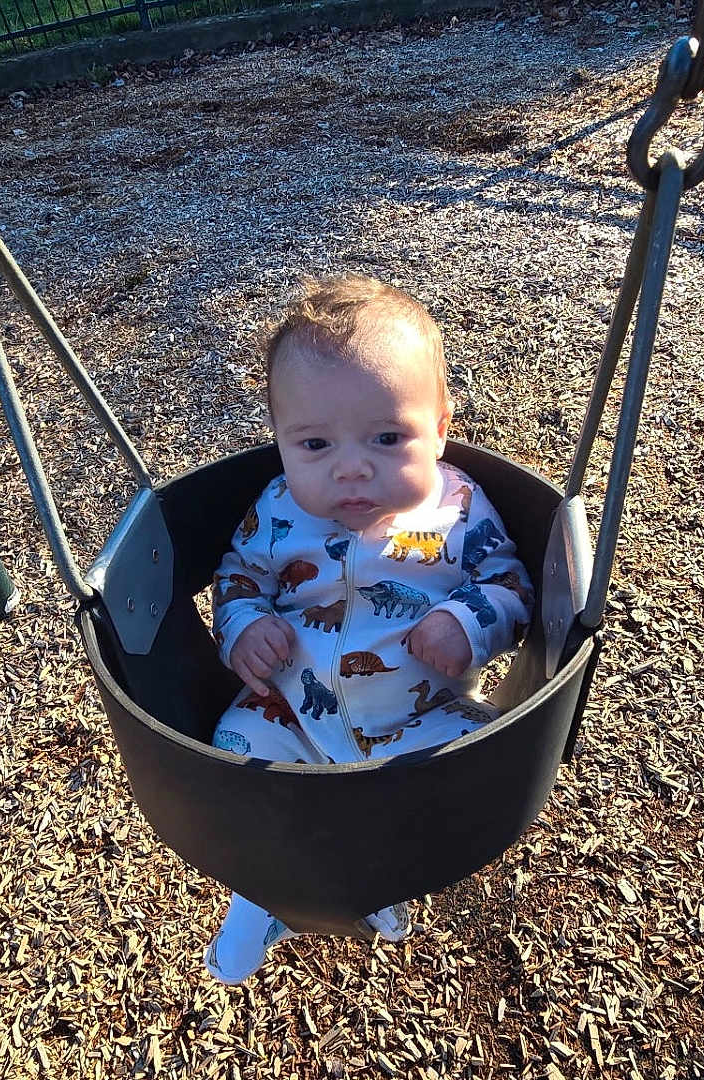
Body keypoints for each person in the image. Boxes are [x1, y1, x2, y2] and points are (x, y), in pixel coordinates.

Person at [204, 275, 534, 984]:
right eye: (315, 444)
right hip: (288, 713)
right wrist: (243, 624)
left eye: (388, 437)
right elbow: (236, 576)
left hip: (419, 720)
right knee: (228, 762)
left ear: (441, 425)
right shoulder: (278, 511)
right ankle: (256, 900)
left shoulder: (457, 512)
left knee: (479, 770)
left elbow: (509, 585)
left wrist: (463, 620)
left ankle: (369, 881)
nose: (352, 468)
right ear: (280, 441)